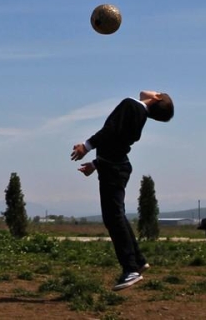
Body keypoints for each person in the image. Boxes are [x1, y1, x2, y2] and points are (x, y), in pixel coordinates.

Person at [70, 90, 173, 291]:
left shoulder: (131, 105)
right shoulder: (139, 114)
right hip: (115, 166)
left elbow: (109, 131)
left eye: (156, 91)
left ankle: (130, 269)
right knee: (117, 216)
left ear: (157, 98)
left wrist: (86, 146)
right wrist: (96, 163)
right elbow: (116, 143)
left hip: (114, 169)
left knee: (114, 218)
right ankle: (138, 261)